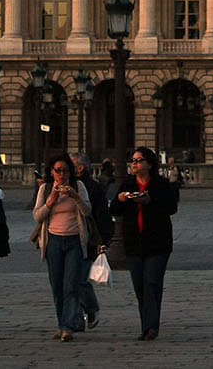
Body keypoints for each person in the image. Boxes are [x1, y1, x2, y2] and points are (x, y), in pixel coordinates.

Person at [112, 146, 179, 341]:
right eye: (133, 160)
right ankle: (146, 325)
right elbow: (115, 210)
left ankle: (151, 327)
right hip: (134, 245)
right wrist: (120, 199)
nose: (134, 163)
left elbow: (171, 207)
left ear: (149, 164)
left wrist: (151, 201)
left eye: (139, 160)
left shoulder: (161, 184)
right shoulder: (127, 184)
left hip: (157, 244)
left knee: (152, 283)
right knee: (140, 287)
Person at [34, 153, 95, 342]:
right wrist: (50, 201)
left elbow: (87, 211)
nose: (62, 174)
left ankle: (68, 326)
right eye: (58, 171)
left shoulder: (79, 186)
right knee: (57, 285)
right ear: (51, 172)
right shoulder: (45, 189)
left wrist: (75, 197)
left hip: (74, 241)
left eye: (65, 170)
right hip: (53, 241)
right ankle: (62, 323)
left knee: (71, 285)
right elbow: (37, 216)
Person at [70, 152, 112, 331]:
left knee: (79, 280)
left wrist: (103, 241)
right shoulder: (64, 185)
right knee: (70, 281)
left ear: (80, 168)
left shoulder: (92, 188)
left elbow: (102, 216)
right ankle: (76, 320)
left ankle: (91, 309)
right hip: (69, 237)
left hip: (88, 240)